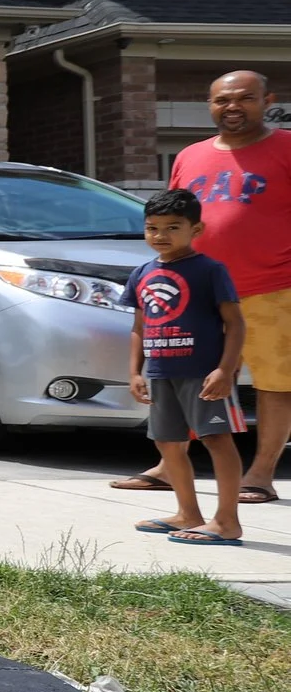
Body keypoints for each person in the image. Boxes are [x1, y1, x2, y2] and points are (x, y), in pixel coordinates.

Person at [112, 70, 291, 503]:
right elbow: (172, 218)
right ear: (208, 104)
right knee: (185, 377)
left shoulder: (286, 146)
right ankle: (169, 467)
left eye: (244, 98)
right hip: (197, 290)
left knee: (275, 383)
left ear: (267, 99)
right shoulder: (189, 155)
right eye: (222, 100)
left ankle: (261, 473)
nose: (232, 107)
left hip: (272, 285)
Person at [125, 189, 248, 546]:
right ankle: (187, 513)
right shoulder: (142, 273)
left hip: (202, 372)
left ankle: (227, 521)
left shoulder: (210, 270)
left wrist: (225, 369)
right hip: (162, 373)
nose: (160, 236)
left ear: (196, 229)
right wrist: (135, 372)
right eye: (152, 228)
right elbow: (139, 327)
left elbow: (235, 323)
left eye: (172, 227)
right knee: (168, 444)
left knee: (216, 440)